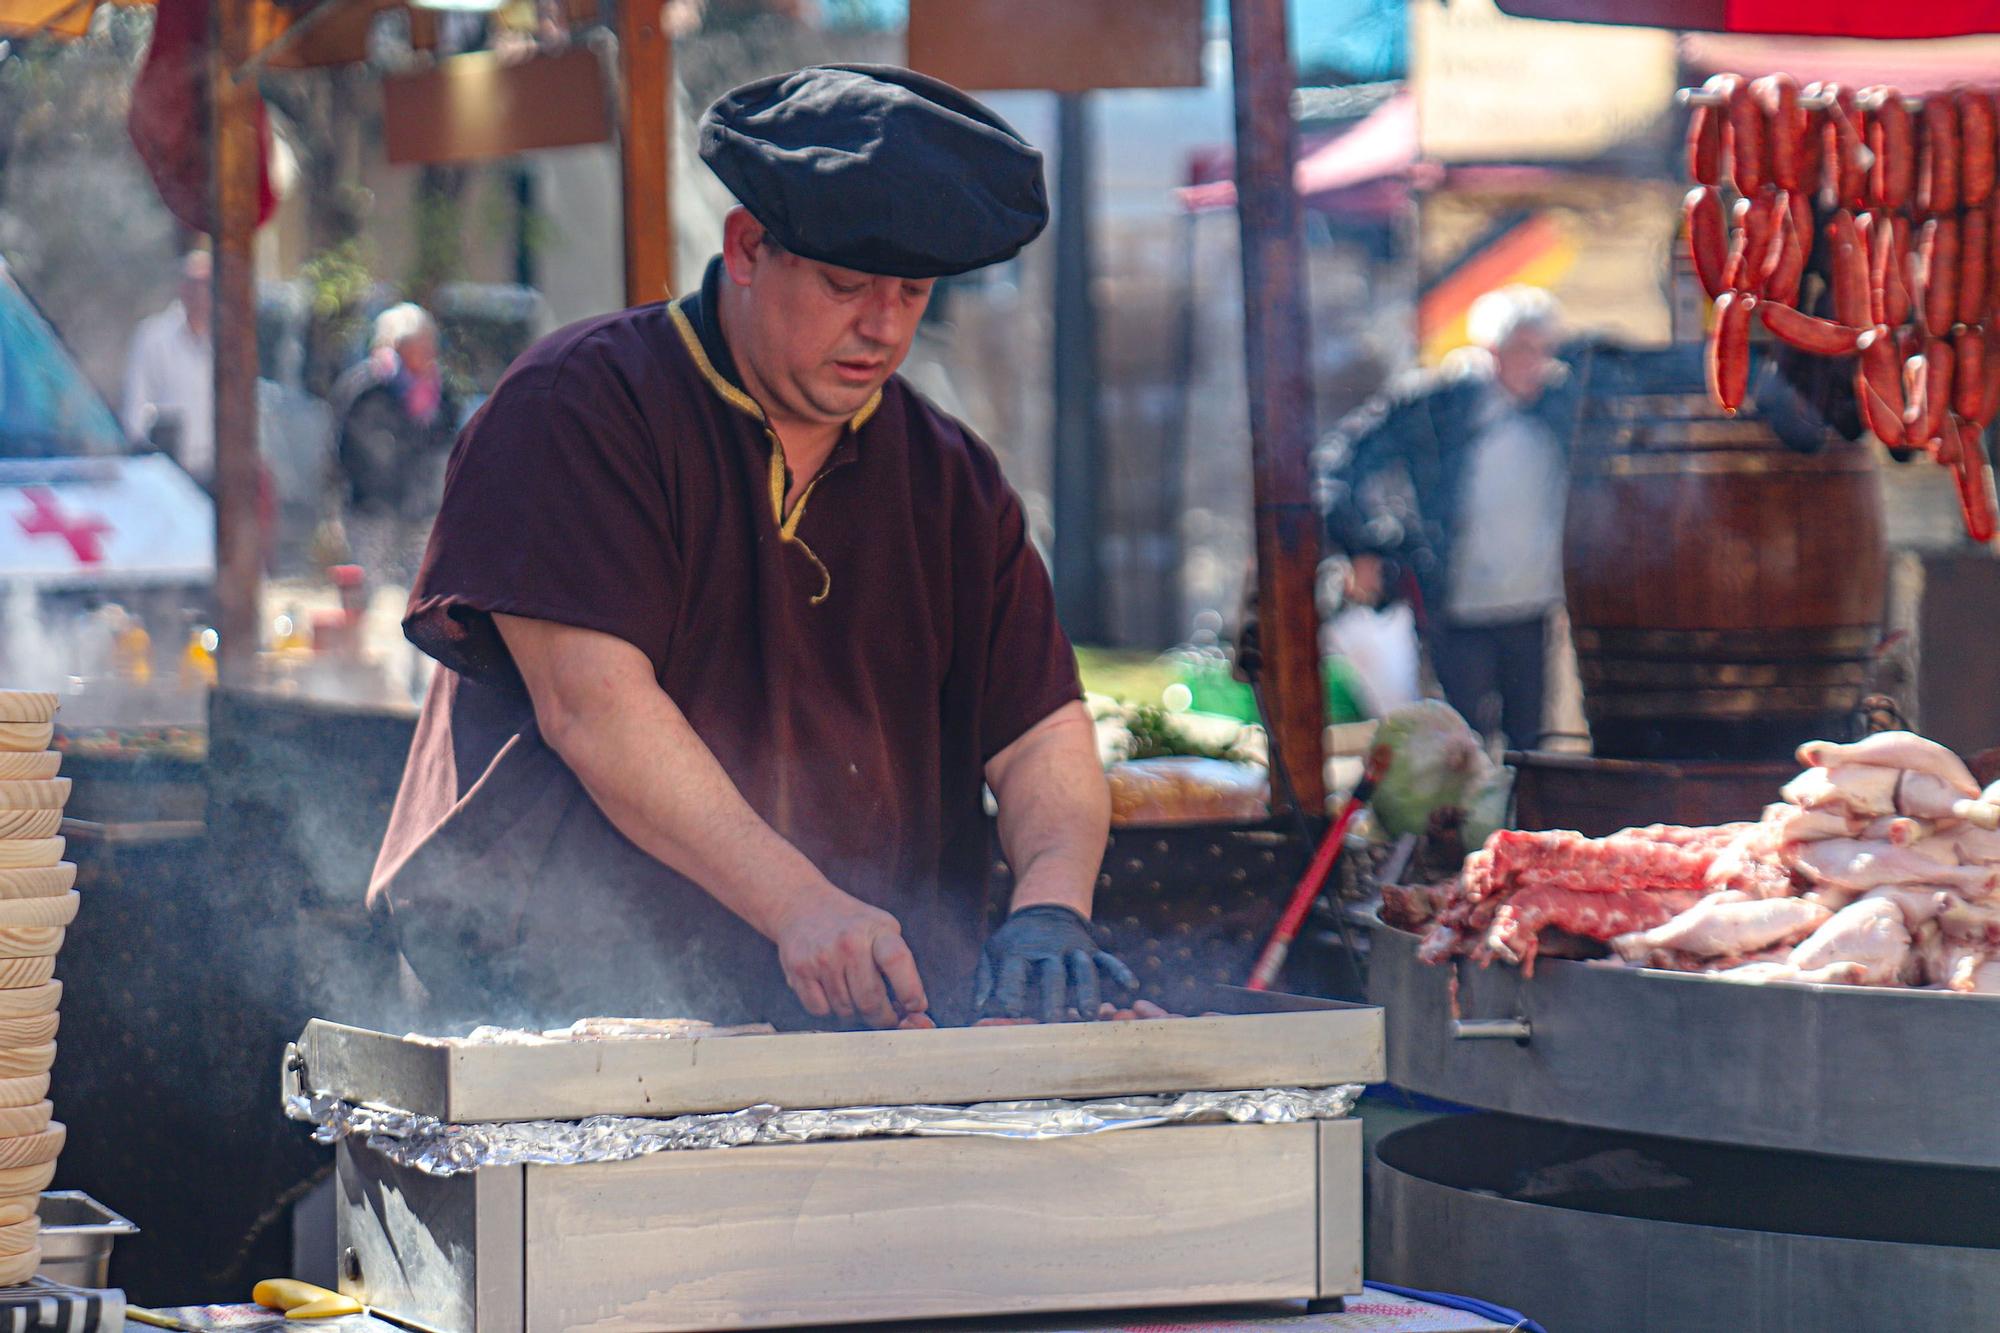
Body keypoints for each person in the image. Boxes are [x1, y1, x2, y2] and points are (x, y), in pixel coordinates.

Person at [368, 65, 1132, 1031]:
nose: (883, 325)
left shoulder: (952, 481)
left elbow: (1042, 731)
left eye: (912, 291)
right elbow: (593, 708)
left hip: (861, 1025)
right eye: (846, 284)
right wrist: (802, 905)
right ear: (745, 248)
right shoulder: (577, 406)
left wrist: (1053, 905)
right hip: (561, 1011)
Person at [1316, 286, 1579, 750]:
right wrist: (1361, 547)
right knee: (1459, 747)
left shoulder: (1556, 406)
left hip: (1532, 607)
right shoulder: (1436, 405)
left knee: (1530, 749)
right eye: (1523, 348)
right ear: (1492, 349)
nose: (1535, 363)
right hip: (1455, 604)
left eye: (1544, 350)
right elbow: (1340, 464)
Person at [331, 303, 461, 587]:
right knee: (367, 590)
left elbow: (449, 444)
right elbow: (346, 450)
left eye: (429, 343)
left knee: (423, 591)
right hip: (372, 509)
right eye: (417, 344)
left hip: (424, 508)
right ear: (395, 345)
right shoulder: (366, 388)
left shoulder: (443, 392)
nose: (427, 352)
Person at [122, 249, 214, 486]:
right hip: (167, 472)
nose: (201, 293)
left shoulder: (228, 344)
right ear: (183, 288)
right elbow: (135, 407)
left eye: (207, 285)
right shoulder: (153, 337)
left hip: (215, 473)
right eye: (195, 284)